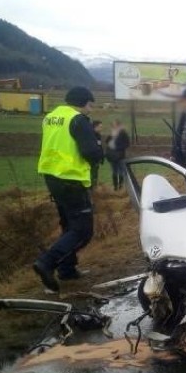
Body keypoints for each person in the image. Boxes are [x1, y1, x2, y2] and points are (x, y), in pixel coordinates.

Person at [32, 86, 103, 293]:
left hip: (52, 177)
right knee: (82, 230)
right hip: (71, 179)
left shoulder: (51, 117)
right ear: (82, 102)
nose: (90, 110)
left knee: (69, 225)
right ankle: (47, 263)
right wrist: (100, 150)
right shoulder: (78, 120)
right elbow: (91, 151)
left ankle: (67, 270)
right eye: (90, 105)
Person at [105, 120, 131, 191]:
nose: (114, 127)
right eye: (113, 125)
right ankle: (115, 186)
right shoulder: (112, 133)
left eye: (115, 125)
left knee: (121, 171)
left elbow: (127, 143)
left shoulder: (123, 133)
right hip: (112, 156)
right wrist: (111, 135)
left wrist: (118, 148)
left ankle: (120, 186)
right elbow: (106, 141)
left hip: (120, 155)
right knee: (114, 171)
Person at [90, 119, 104, 187]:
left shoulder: (98, 135)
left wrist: (101, 157)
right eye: (100, 127)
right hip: (92, 159)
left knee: (95, 175)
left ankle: (94, 188)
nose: (102, 128)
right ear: (95, 126)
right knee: (92, 175)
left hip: (97, 159)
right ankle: (91, 189)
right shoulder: (91, 135)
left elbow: (100, 146)